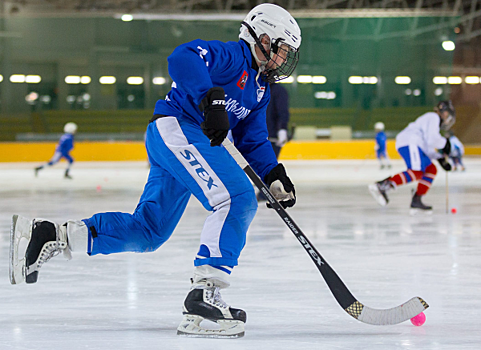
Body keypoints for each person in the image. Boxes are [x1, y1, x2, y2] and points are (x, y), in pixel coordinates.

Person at [10, 4, 301, 339]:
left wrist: (274, 173)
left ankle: (51, 235)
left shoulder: (261, 90)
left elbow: (253, 139)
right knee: (237, 197)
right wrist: (210, 97)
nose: (283, 61)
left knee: (148, 232)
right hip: (177, 128)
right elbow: (182, 57)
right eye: (282, 50)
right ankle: (204, 294)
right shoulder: (232, 56)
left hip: (184, 142)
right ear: (263, 38)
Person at [368, 101, 455, 214]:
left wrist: (440, 158)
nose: (447, 118)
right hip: (410, 142)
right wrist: (445, 144)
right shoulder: (434, 117)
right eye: (447, 114)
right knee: (417, 171)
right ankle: (383, 185)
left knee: (431, 169)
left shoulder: (432, 122)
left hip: (416, 145)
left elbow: (428, 146)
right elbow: (433, 139)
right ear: (442, 111)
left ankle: (417, 200)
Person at [267, 82, 290, 159]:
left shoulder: (278, 91)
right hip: (253, 136)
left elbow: (282, 111)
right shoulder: (252, 88)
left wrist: (282, 129)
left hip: (271, 136)